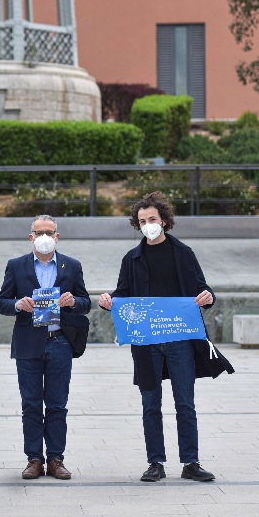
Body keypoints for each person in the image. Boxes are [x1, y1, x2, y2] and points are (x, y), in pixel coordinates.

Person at [98, 191, 230, 483]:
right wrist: (108, 299)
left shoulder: (183, 254)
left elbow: (202, 290)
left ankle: (191, 462)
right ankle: (155, 462)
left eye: (153, 219)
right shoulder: (131, 259)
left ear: (165, 221)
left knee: (185, 402)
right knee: (150, 403)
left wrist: (208, 297)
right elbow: (123, 293)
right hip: (146, 342)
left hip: (180, 339)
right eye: (143, 220)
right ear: (138, 224)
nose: (148, 224)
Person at [0, 214, 91, 480]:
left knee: (58, 404)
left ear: (57, 236)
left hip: (60, 341)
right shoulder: (16, 266)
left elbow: (86, 302)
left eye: (50, 232)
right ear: (31, 237)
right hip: (28, 343)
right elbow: (1, 302)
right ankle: (34, 459)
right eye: (39, 232)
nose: (45, 237)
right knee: (31, 404)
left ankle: (56, 459)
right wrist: (17, 304)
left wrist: (73, 301)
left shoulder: (71, 266)